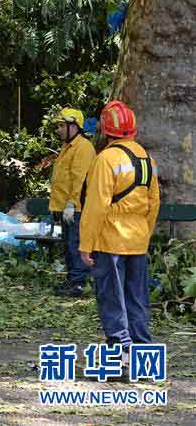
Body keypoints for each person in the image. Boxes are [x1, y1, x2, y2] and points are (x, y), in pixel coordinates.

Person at [80, 101, 159, 375]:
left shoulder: (105, 160)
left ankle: (122, 357)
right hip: (137, 241)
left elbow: (96, 206)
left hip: (109, 241)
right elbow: (154, 203)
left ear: (106, 129)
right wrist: (143, 234)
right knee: (137, 299)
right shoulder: (146, 160)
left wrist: (85, 244)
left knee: (113, 299)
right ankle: (145, 359)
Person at [49, 108, 96, 297]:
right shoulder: (68, 147)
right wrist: (57, 207)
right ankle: (72, 281)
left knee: (76, 245)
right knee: (69, 245)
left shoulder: (83, 148)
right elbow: (62, 179)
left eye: (62, 126)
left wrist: (71, 204)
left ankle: (79, 284)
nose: (58, 130)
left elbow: (79, 179)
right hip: (66, 207)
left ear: (74, 126)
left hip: (76, 208)